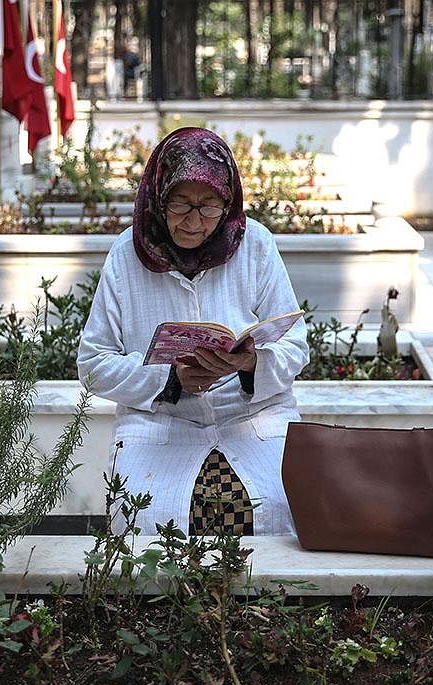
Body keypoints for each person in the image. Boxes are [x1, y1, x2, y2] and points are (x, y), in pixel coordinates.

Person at [77, 127, 309, 537]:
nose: (193, 220)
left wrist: (252, 363)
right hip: (161, 422)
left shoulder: (254, 244)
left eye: (208, 206)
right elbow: (93, 363)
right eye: (180, 203)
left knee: (279, 502)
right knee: (148, 515)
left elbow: (295, 344)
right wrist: (171, 379)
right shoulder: (126, 255)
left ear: (228, 202)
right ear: (157, 195)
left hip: (252, 417)